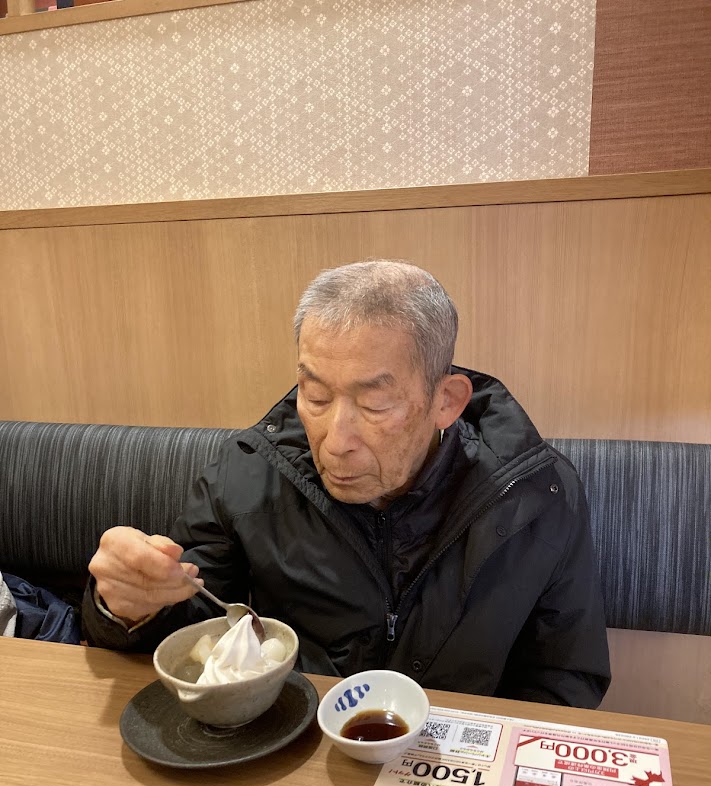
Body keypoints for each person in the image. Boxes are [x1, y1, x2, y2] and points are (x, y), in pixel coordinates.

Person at [83, 260, 610, 707]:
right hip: (296, 749)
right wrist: (130, 607)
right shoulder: (248, 473)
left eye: (375, 404)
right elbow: (194, 629)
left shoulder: (534, 495)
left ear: (445, 401)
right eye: (314, 396)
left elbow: (565, 676)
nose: (335, 441)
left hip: (456, 766)